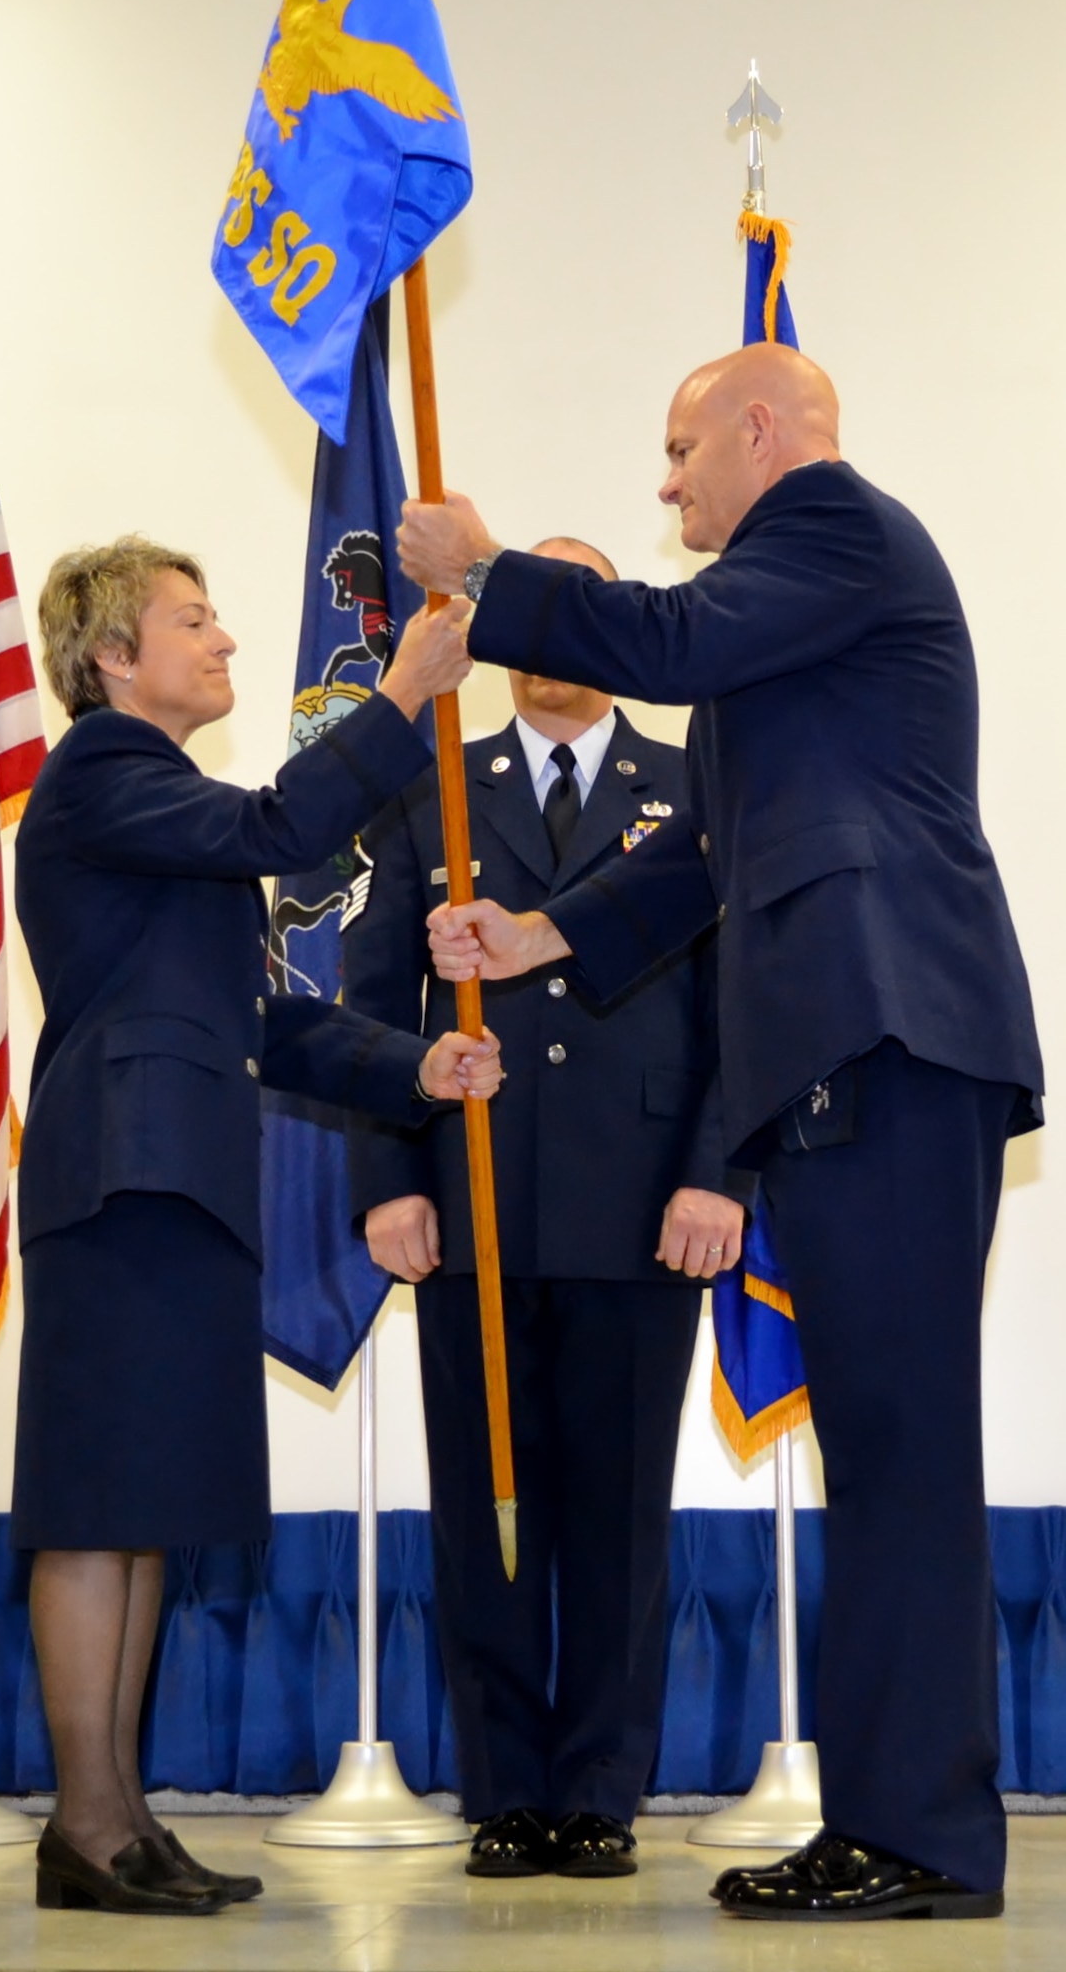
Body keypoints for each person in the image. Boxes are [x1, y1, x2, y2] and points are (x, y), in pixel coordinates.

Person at [396, 343, 1044, 1922]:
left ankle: (923, 1837)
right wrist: (542, 941)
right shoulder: (795, 626)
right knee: (883, 1460)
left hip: (886, 1036)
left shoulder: (832, 527)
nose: (669, 483)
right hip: (847, 1052)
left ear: (765, 433)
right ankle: (894, 1820)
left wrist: (485, 570)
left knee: (901, 1460)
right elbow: (700, 848)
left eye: (683, 450)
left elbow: (664, 643)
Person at [11, 536, 501, 1916]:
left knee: (140, 1504)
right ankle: (89, 1827)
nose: (225, 641)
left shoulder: (154, 802)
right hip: (127, 1176)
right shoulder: (104, 770)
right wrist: (398, 692)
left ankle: (115, 1820)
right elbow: (284, 829)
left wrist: (409, 1066)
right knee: (98, 1504)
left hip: (171, 1175)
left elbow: (266, 1019)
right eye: (194, 620)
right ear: (115, 660)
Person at [343, 537, 745, 1880]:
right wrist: (388, 1181)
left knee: (622, 1517)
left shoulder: (696, 787)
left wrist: (717, 1171)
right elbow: (367, 1006)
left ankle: (602, 1793)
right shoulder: (434, 791)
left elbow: (740, 1005)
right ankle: (508, 1789)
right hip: (473, 1204)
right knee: (488, 1508)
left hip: (645, 1204)